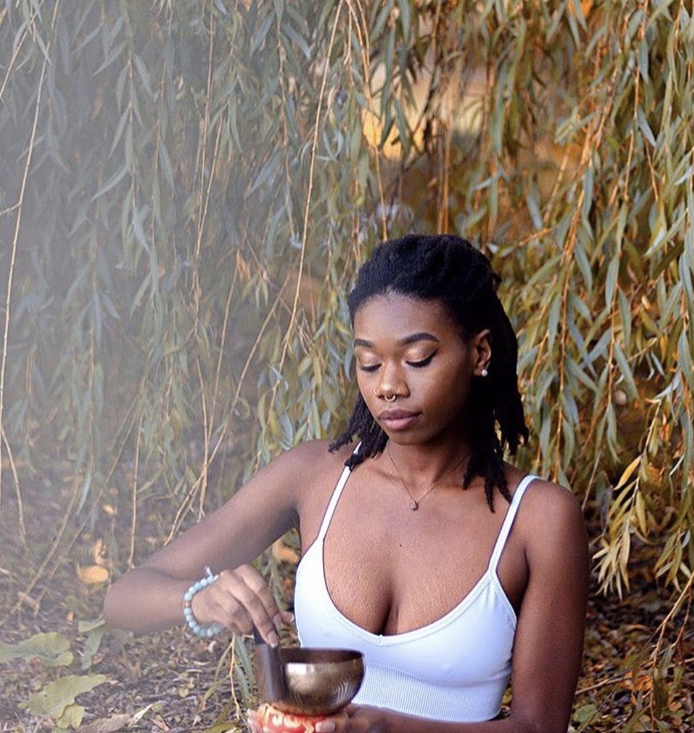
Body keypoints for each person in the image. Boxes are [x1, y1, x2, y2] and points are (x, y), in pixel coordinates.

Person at [104, 233, 590, 733]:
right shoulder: (314, 476)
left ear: (479, 353)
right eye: (369, 363)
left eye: (418, 359)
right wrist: (197, 598)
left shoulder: (538, 519)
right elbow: (125, 598)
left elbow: (539, 727)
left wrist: (384, 729)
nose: (388, 386)